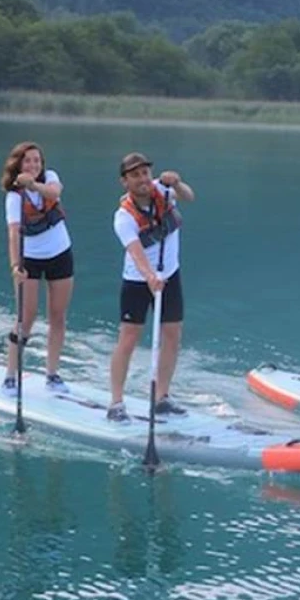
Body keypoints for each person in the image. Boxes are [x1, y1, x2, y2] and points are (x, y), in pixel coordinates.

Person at [107, 152, 195, 423]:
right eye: (135, 175)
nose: (143, 179)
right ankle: (116, 403)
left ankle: (162, 398)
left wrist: (178, 183)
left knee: (172, 335)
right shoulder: (123, 217)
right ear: (125, 182)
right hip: (137, 280)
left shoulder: (164, 190)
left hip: (170, 276)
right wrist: (149, 277)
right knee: (129, 338)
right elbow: (135, 252)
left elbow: (190, 197)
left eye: (145, 173)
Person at [0, 141, 74, 396]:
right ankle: (10, 374)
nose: (33, 165)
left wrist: (33, 185)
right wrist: (15, 266)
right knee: (26, 317)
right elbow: (13, 233)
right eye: (28, 161)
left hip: (60, 253)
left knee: (58, 315)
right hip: (29, 258)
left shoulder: (50, 178)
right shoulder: (13, 197)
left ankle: (52, 374)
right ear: (18, 165)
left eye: (37, 161)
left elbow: (54, 194)